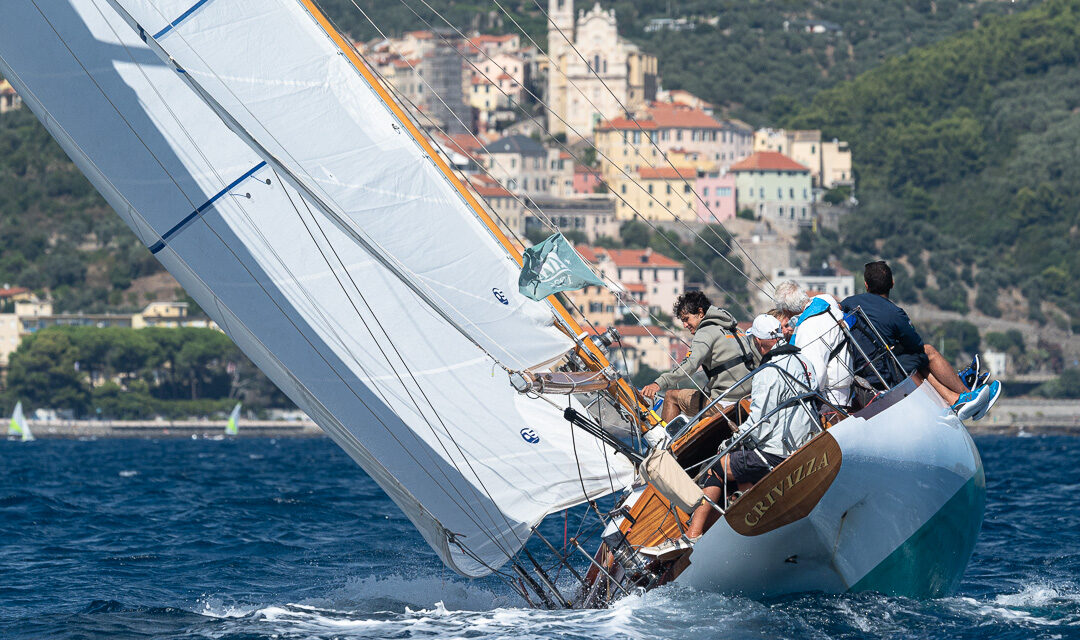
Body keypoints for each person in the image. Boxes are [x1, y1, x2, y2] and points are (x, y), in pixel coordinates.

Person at [685, 314, 818, 539]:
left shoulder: (768, 372)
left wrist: (728, 444)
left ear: (757, 342)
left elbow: (758, 424)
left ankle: (693, 534)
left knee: (718, 464)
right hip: (806, 443)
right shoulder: (805, 361)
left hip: (780, 454)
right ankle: (742, 511)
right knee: (742, 460)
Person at [841, 260, 1001, 420]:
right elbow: (916, 345)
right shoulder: (895, 313)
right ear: (892, 283)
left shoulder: (849, 302)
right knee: (927, 352)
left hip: (859, 371)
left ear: (866, 285)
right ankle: (967, 394)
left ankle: (958, 398)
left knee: (914, 362)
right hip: (883, 374)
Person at [641, 292, 758, 423]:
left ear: (701, 313)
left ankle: (667, 442)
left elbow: (690, 364)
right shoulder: (737, 330)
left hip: (723, 403)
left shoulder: (705, 332)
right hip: (749, 399)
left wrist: (659, 383)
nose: (684, 325)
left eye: (686, 319)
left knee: (670, 396)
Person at [774, 281, 853, 409]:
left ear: (786, 310)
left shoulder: (809, 326)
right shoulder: (826, 306)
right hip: (841, 390)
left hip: (829, 399)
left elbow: (815, 374)